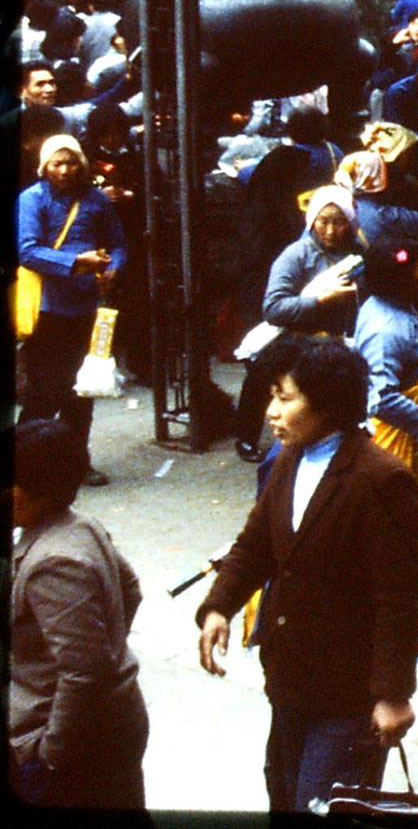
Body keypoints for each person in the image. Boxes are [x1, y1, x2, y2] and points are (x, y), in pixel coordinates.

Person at [196, 341, 418, 812]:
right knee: (283, 794)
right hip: (290, 678)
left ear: (327, 404)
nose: (270, 413)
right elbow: (257, 543)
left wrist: (392, 695)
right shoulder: (290, 458)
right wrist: (221, 605)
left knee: (322, 806)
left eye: (284, 398)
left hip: (348, 694)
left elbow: (398, 599)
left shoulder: (381, 479)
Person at [9, 418, 150, 810]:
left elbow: (83, 674)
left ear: (34, 490)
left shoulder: (53, 562)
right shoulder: (80, 526)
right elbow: (129, 588)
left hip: (78, 749)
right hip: (110, 728)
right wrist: (108, 648)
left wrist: (51, 754)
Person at [17, 133, 125, 486]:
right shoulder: (32, 200)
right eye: (57, 163)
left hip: (88, 307)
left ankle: (77, 463)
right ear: (44, 167)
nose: (64, 170)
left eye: (71, 163)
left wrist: (112, 268)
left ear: (82, 164)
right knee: (44, 391)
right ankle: (24, 463)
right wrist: (76, 262)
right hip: (48, 308)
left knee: (83, 390)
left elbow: (119, 242)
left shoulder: (95, 200)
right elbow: (28, 251)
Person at [234, 183, 363, 460]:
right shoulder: (296, 255)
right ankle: (246, 436)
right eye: (324, 221)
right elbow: (274, 307)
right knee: (266, 377)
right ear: (312, 219)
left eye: (339, 222)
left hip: (341, 337)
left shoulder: (359, 253)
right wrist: (320, 301)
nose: (330, 230)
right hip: (295, 336)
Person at [354, 236, 418, 477]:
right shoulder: (385, 330)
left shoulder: (397, 304)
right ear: (401, 279)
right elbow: (382, 399)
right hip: (395, 445)